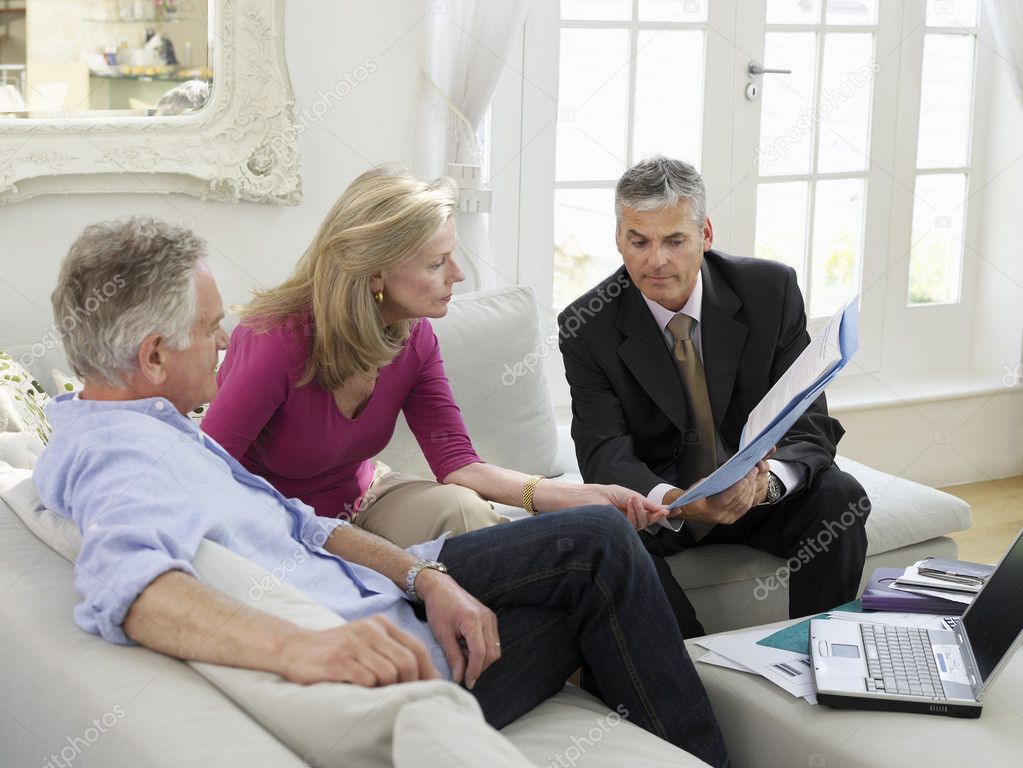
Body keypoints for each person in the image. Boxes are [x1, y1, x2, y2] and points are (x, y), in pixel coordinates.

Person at [34, 216, 727, 767]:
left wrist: (425, 575)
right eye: (210, 329)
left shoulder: (143, 426)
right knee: (602, 562)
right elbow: (129, 582)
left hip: (392, 596)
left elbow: (302, 525)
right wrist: (303, 649)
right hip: (398, 663)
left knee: (598, 542)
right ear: (154, 355)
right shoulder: (116, 455)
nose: (223, 342)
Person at [202, 166, 664, 549]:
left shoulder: (415, 337)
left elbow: (458, 464)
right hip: (278, 519)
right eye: (436, 262)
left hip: (365, 499)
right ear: (375, 270)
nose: (458, 274)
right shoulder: (274, 341)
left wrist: (578, 495)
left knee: (466, 511)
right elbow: (202, 468)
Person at [558, 156, 869, 638]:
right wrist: (679, 502)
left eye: (675, 240)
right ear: (619, 240)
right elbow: (603, 455)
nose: (656, 260)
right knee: (607, 534)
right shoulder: (586, 326)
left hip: (754, 495)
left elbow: (810, 421)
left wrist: (763, 487)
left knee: (839, 494)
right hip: (664, 509)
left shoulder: (771, 290)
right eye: (639, 241)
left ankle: (822, 653)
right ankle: (696, 673)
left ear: (705, 234)